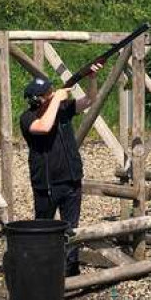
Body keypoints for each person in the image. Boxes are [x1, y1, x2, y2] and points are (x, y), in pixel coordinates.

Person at [19, 64, 101, 277]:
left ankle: (71, 273)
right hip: (46, 184)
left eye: (51, 90)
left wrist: (91, 78)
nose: (52, 93)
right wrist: (56, 99)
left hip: (71, 180)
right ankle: (42, 273)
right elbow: (44, 126)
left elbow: (89, 101)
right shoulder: (27, 118)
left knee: (71, 230)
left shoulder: (62, 110)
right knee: (44, 231)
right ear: (37, 100)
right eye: (47, 93)